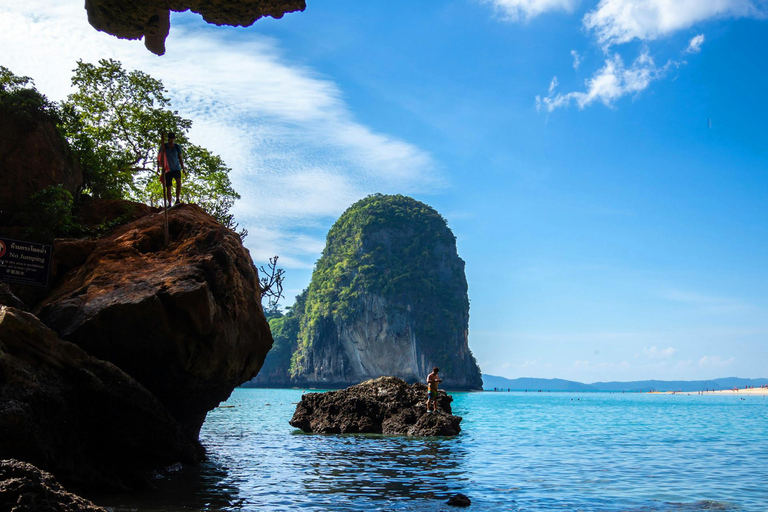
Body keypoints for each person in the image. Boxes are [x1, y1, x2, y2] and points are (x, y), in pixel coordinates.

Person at [158, 132, 184, 206]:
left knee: (178, 181)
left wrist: (183, 168)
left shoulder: (177, 147)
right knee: (168, 186)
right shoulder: (164, 146)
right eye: (170, 140)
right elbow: (159, 158)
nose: (171, 141)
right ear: (168, 139)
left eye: (172, 140)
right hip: (167, 169)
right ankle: (169, 203)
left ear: (174, 139)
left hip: (176, 168)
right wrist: (159, 168)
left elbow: (180, 158)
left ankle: (177, 199)